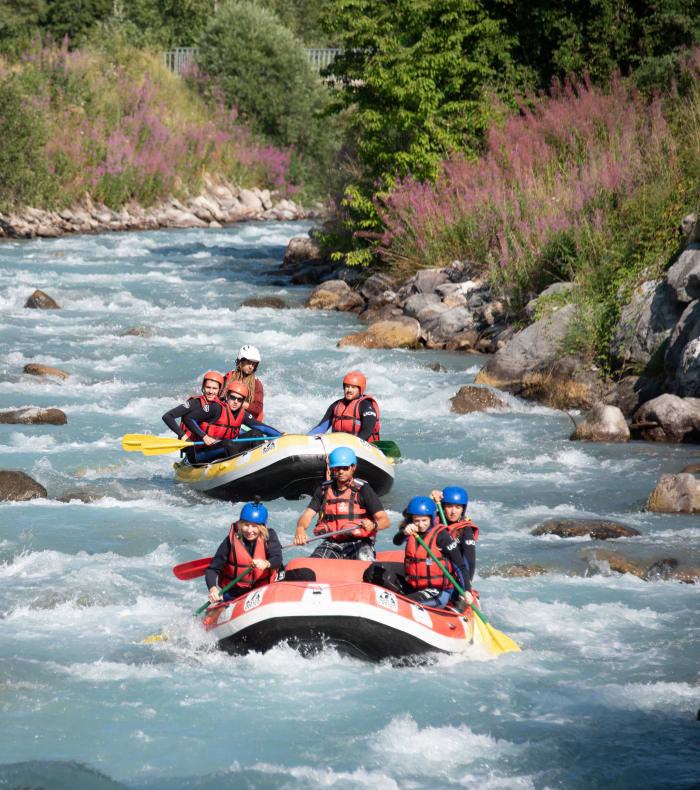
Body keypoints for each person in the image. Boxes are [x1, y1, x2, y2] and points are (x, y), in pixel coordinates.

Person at [363, 496, 473, 610]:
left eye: (424, 521)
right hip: (415, 585)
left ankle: (404, 601)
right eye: (417, 521)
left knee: (403, 602)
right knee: (372, 572)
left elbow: (460, 566)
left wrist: (467, 590)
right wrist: (404, 533)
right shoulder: (412, 531)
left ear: (431, 518)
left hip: (437, 591)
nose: (420, 525)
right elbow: (396, 541)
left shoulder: (442, 536)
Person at [294, 446, 390, 561]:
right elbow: (307, 515)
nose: (341, 471)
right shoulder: (323, 490)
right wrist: (300, 529)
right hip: (332, 543)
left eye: (345, 468)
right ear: (332, 469)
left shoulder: (363, 489)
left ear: (353, 467)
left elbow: (385, 521)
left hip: (359, 542)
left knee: (365, 562)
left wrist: (373, 525)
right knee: (315, 563)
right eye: (337, 468)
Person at [162, 372, 282, 464]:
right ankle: (237, 468)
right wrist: (186, 436)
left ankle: (260, 464)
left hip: (221, 444)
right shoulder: (197, 404)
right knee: (228, 443)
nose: (211, 392)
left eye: (214, 388)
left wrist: (281, 436)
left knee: (255, 433)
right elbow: (173, 417)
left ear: (220, 390)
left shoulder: (223, 406)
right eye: (208, 387)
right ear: (203, 387)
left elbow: (229, 427)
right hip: (198, 449)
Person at [205, 502, 283, 603]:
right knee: (220, 602)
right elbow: (212, 569)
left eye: (254, 526)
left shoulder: (269, 536)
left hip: (265, 587)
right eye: (246, 525)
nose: (249, 530)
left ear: (262, 527)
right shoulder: (231, 541)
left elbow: (277, 559)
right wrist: (212, 589)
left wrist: (266, 563)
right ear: (240, 524)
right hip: (238, 591)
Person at [309, 371, 380, 443]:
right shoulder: (336, 405)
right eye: (347, 386)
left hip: (361, 445)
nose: (349, 390)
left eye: (353, 387)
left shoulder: (366, 405)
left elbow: (366, 432)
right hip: (338, 445)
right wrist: (307, 438)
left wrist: (352, 443)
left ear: (360, 390)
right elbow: (321, 427)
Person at [430, 486, 479, 583]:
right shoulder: (432, 520)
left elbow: (470, 559)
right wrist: (430, 501)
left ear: (463, 509)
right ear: (443, 506)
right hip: (431, 568)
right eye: (449, 506)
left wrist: (467, 582)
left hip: (451, 575)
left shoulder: (466, 529)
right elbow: (409, 516)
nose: (453, 512)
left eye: (458, 507)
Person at [222, 344, 264, 420]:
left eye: (254, 364)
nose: (251, 367)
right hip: (227, 416)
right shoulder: (228, 377)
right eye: (249, 362)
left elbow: (257, 408)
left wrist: (237, 402)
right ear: (240, 361)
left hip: (246, 420)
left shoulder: (257, 384)